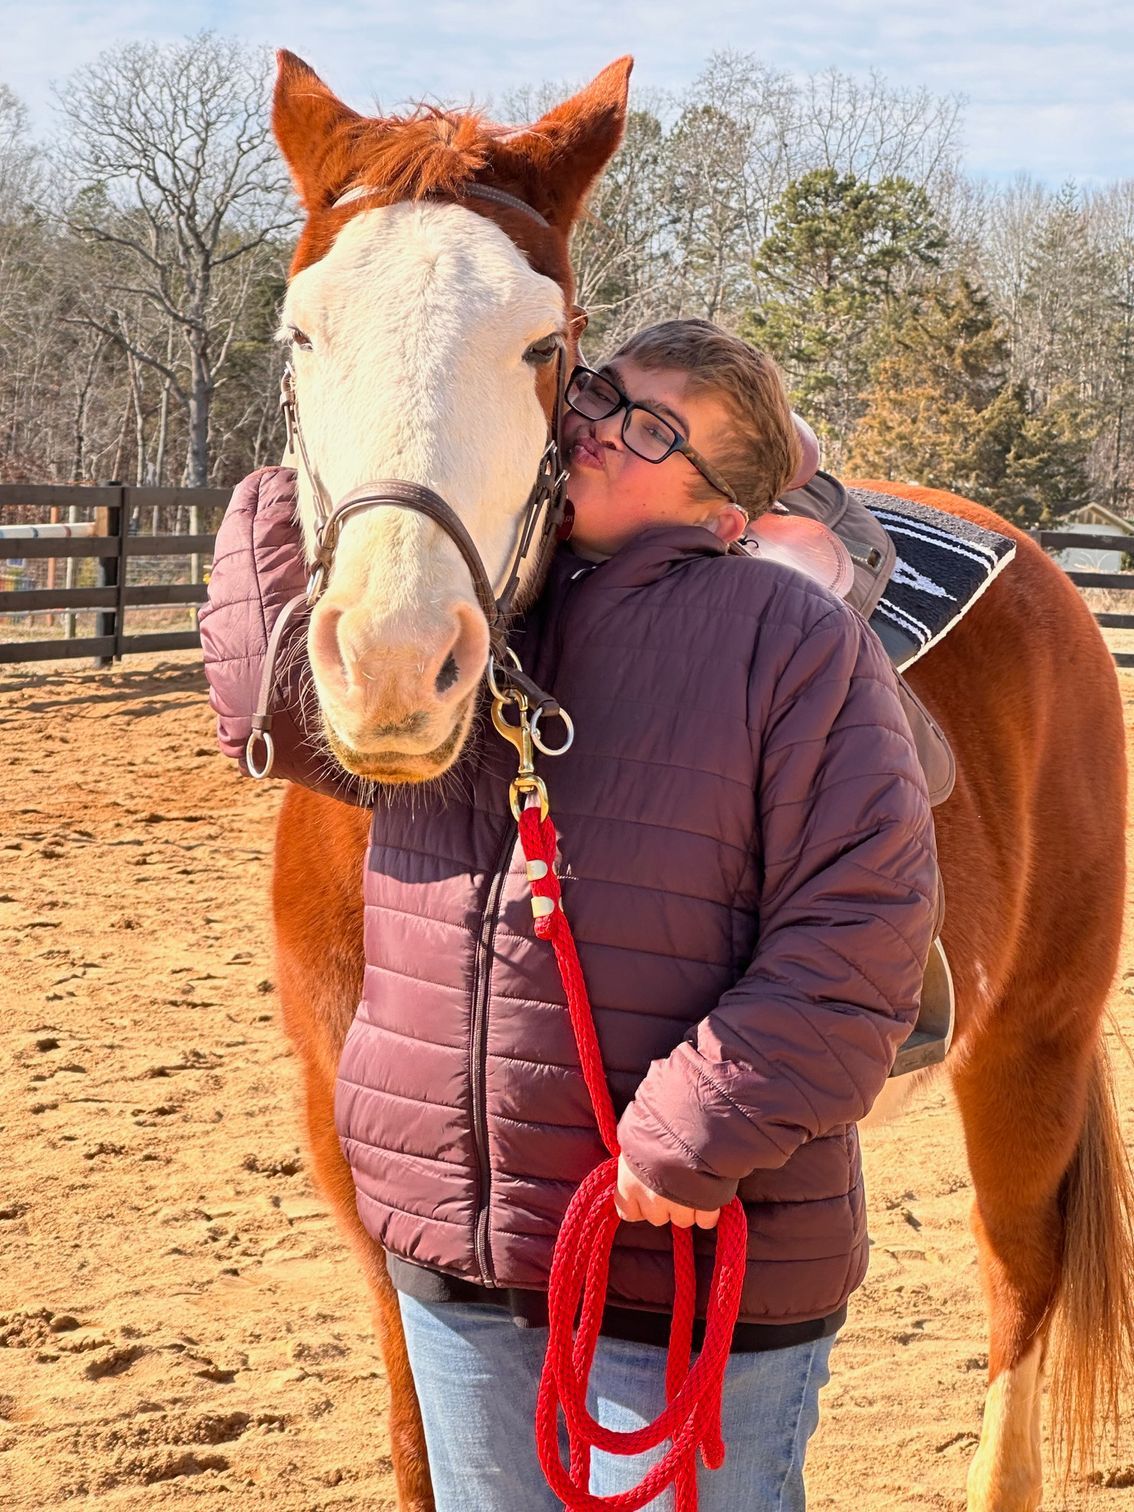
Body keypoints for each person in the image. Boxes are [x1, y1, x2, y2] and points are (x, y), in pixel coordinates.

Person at [200, 318, 939, 1510]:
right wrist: (330, 435)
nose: (595, 429)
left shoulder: (793, 639)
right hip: (465, 1259)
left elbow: (860, 935)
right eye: (602, 397)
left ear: (722, 506)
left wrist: (689, 1137)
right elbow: (271, 711)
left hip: (680, 1254)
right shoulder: (482, 622)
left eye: (651, 427)